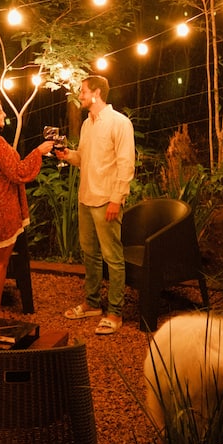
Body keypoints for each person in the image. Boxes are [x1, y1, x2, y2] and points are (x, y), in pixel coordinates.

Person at [55, 75, 135, 336]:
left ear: (97, 92)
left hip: (106, 199)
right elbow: (85, 159)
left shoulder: (119, 123)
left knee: (113, 257)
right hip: (86, 197)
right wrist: (68, 155)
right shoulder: (87, 124)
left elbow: (126, 164)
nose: (80, 95)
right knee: (89, 254)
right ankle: (92, 304)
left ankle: (115, 312)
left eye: (83, 91)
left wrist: (116, 199)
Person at [0, 96, 53, 324]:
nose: (4, 114)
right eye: (0, 111)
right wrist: (38, 152)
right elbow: (18, 172)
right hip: (1, 210)